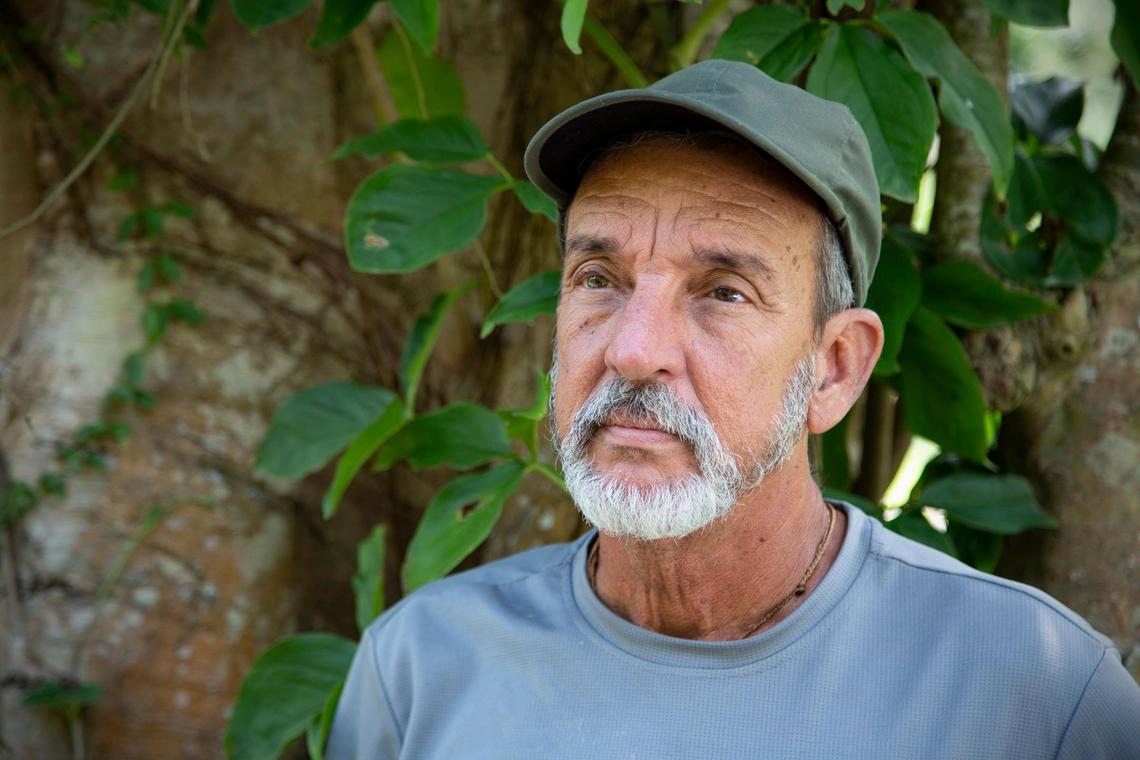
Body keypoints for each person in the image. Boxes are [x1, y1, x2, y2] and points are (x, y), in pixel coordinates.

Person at [326, 60, 1140, 759]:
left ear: (834, 370)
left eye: (723, 292)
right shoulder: (420, 671)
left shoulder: (1034, 694)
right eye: (599, 279)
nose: (633, 349)